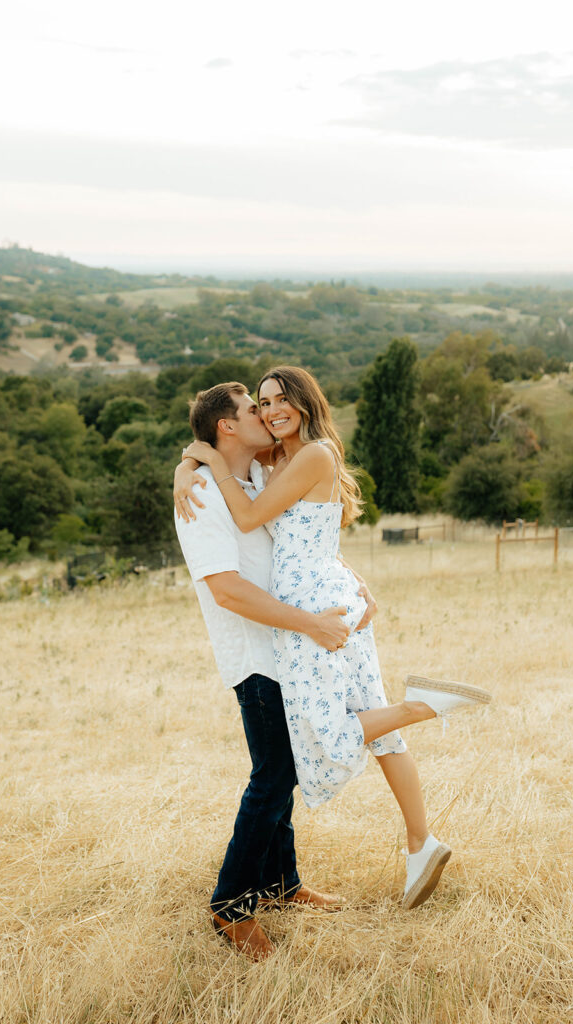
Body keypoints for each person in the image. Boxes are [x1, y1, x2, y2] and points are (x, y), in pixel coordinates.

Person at [177, 366, 491, 928]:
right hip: (306, 611)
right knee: (322, 748)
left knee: (305, 746)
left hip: (311, 611)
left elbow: (259, 520)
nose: (268, 412)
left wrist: (210, 460)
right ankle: (413, 845)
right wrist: (192, 461)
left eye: (276, 401)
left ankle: (422, 705)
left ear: (302, 402)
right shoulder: (262, 468)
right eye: (259, 404)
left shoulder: (298, 460)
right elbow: (277, 530)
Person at [174, 381, 373, 963]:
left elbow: (300, 538)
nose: (266, 415)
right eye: (253, 409)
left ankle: (280, 884)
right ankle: (230, 905)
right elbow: (228, 591)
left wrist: (351, 581)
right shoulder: (203, 497)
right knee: (274, 772)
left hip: (289, 649)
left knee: (283, 769)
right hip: (256, 654)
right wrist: (311, 622)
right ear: (229, 427)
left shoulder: (256, 476)